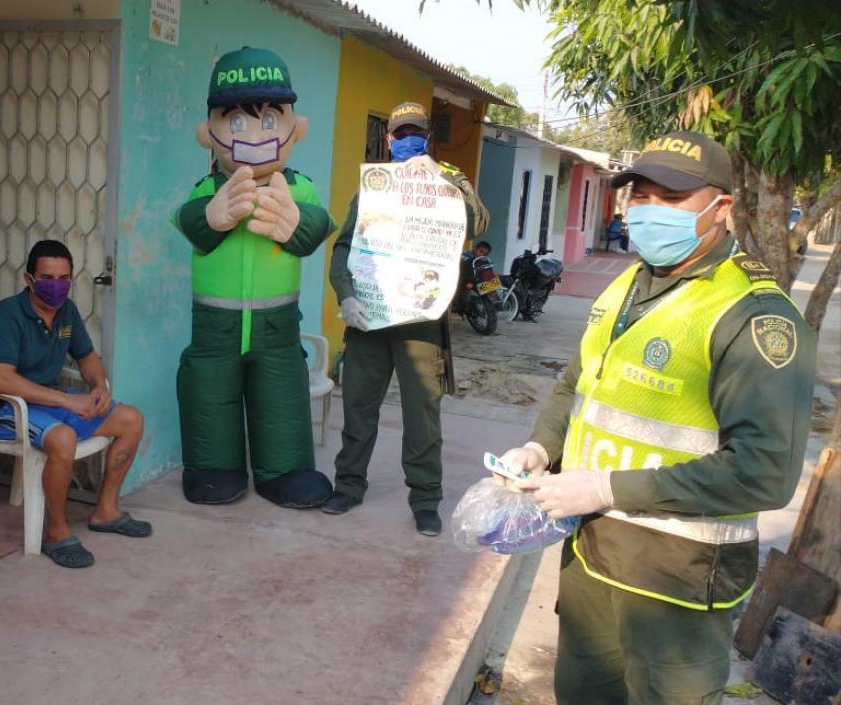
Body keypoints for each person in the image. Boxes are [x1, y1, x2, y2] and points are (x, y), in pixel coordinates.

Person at [498, 130, 816, 705]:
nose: (648, 212)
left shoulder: (753, 314)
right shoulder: (629, 280)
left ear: (722, 208)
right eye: (639, 196)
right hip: (592, 557)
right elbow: (579, 383)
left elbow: (764, 472)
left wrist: (603, 486)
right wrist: (541, 448)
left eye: (671, 199)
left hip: (678, 583)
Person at [171, 46, 337, 508]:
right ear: (209, 134)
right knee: (209, 394)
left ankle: (285, 472)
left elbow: (319, 225)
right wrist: (212, 216)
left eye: (270, 119)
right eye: (236, 121)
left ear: (294, 130)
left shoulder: (297, 186)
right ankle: (212, 467)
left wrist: (295, 224)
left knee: (280, 397)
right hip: (213, 327)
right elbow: (187, 222)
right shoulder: (207, 188)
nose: (255, 135)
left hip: (276, 327)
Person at [323, 101, 489, 536]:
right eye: (402, 133)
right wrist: (346, 295)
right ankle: (348, 486)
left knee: (422, 416)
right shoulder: (375, 187)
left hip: (421, 322)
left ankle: (425, 499)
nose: (408, 139)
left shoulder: (448, 178)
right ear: (389, 139)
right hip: (370, 320)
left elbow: (478, 223)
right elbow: (345, 247)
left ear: (427, 139)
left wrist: (448, 186)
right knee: (358, 407)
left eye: (417, 132)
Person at [0, 239, 149, 569]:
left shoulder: (66, 311)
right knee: (63, 439)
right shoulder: (7, 315)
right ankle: (56, 532)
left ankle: (105, 511)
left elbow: (87, 357)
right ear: (29, 279)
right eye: (48, 278)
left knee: (131, 420)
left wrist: (98, 386)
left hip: (48, 404)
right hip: (4, 409)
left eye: (64, 278)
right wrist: (68, 401)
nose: (57, 286)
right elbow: (1, 381)